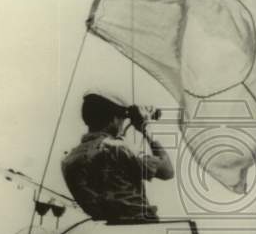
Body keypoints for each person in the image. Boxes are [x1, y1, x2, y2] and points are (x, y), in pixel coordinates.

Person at [61, 91, 174, 222]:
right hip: (141, 229)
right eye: (122, 118)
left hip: (107, 232)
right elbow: (167, 171)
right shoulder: (117, 149)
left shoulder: (69, 160)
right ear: (114, 119)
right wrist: (145, 129)